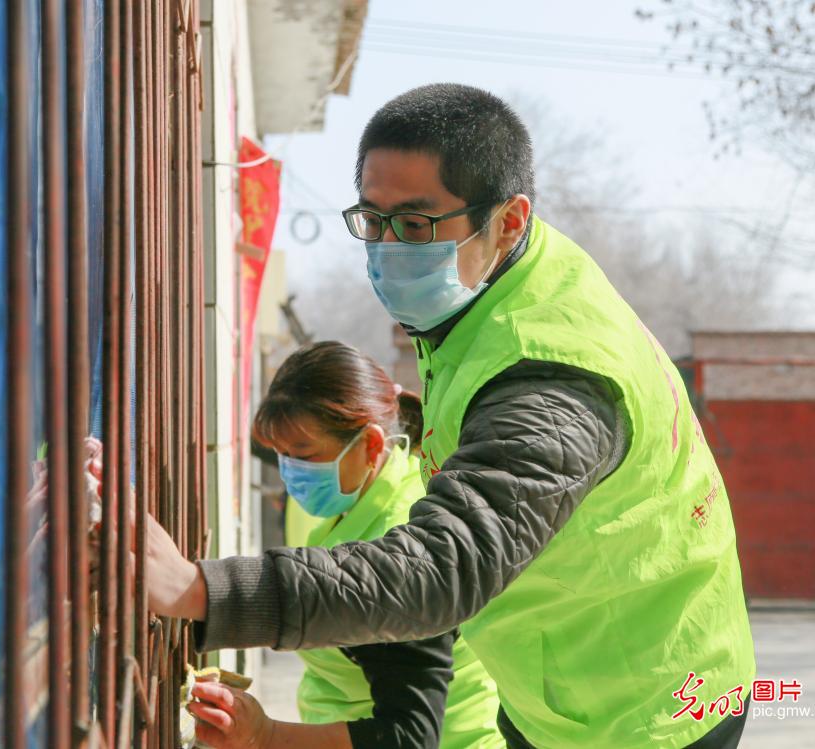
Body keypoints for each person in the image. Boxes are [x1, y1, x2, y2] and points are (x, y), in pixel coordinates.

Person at [144, 83, 756, 749]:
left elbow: (443, 567)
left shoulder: (550, 374)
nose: (386, 250)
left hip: (646, 710)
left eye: (415, 224)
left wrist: (203, 590)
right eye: (373, 221)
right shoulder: (490, 288)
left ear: (510, 220)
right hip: (551, 692)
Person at [201, 341, 503, 749]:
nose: (291, 471)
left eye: (304, 455)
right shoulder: (361, 492)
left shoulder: (402, 544)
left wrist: (265, 734)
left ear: (372, 445)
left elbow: (409, 736)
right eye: (282, 455)